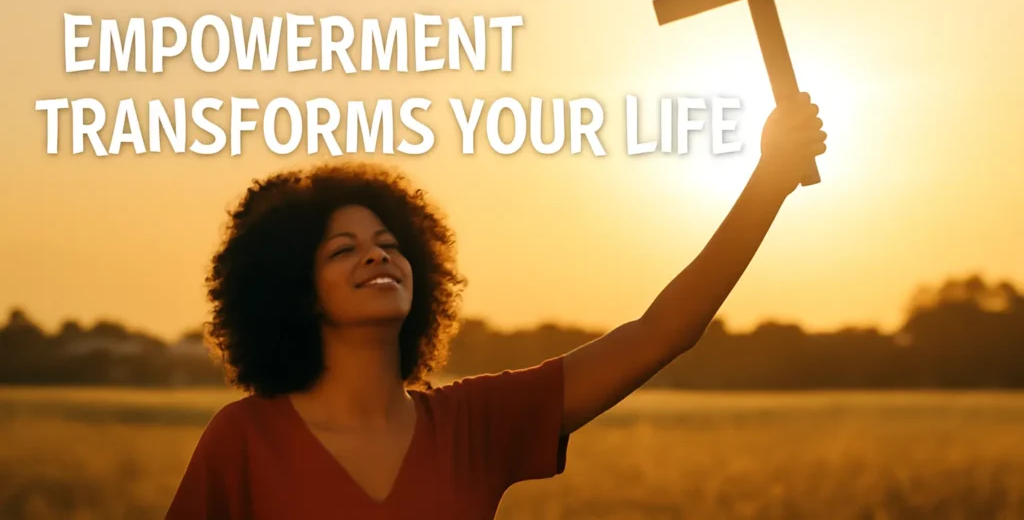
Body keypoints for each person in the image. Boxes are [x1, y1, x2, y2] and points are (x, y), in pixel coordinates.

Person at [165, 92, 827, 519]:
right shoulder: (244, 440)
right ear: (296, 291)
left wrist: (769, 180)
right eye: (343, 249)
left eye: (390, 244)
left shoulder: (472, 424)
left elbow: (661, 332)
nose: (376, 256)